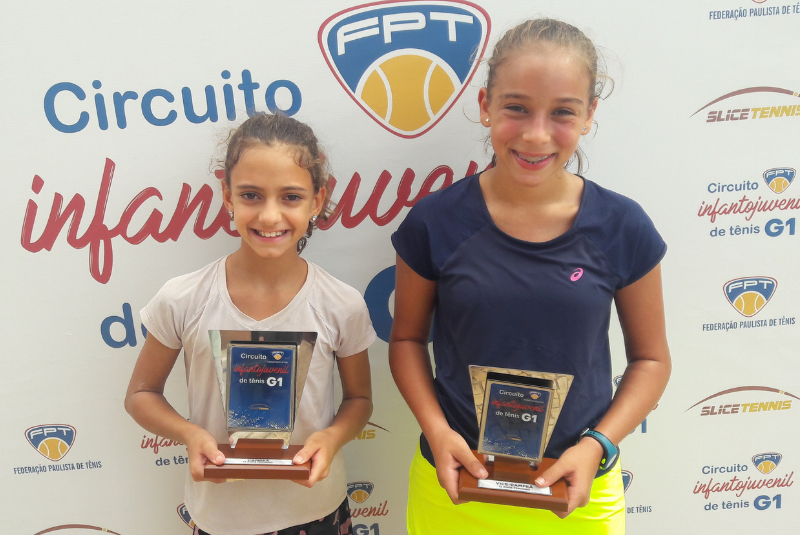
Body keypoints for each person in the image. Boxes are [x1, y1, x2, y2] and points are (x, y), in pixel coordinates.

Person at [389, 18, 671, 534]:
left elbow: (651, 361)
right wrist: (437, 431)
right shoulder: (435, 221)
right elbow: (406, 340)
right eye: (516, 107)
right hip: (455, 484)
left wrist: (598, 445)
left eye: (562, 112)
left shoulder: (621, 225)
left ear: (589, 116)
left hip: (575, 491)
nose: (536, 134)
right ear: (485, 106)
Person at [125, 113, 376, 535]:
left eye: (291, 197)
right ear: (227, 196)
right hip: (220, 518)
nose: (270, 216)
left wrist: (332, 437)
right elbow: (140, 394)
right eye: (251, 195)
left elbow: (360, 400)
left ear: (317, 200)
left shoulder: (341, 304)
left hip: (317, 511)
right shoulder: (183, 298)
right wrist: (189, 434)